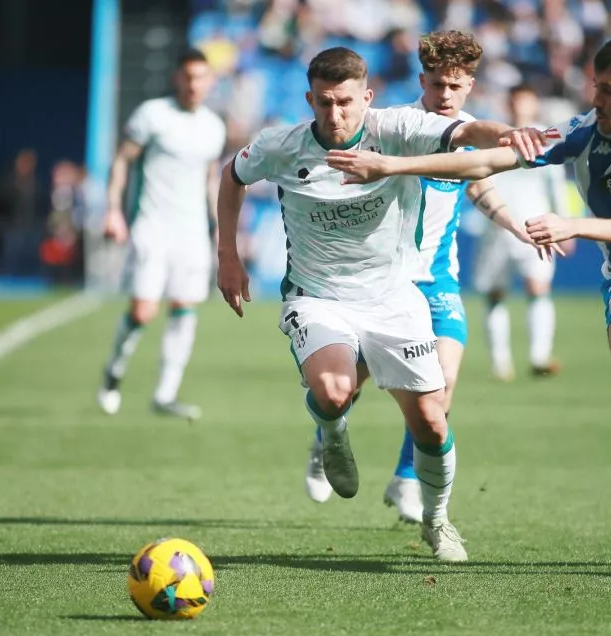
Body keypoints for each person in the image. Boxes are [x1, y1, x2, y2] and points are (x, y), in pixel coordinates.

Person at [325, 34, 611, 569]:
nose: (594, 98)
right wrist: (390, 167)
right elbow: (487, 161)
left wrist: (572, 225)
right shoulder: (587, 129)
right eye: (594, 86)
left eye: (607, 90)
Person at [215, 46, 543, 562]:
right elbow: (231, 176)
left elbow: (469, 138)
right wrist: (227, 256)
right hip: (317, 297)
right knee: (333, 389)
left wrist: (509, 135)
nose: (335, 114)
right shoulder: (281, 145)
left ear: (366, 97)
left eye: (346, 102)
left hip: (395, 298)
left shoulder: (396, 129)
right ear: (310, 99)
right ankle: (330, 434)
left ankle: (437, 521)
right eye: (324, 103)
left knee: (433, 420)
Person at [302, 31, 541, 524]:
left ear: (470, 85)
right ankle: (326, 436)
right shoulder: (395, 127)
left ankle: (406, 480)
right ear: (421, 81)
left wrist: (515, 223)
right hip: (382, 282)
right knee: (348, 382)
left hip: (436, 281)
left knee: (442, 385)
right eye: (436, 85)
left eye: (455, 86)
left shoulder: (468, 131)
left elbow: (478, 187)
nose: (445, 95)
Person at [96, 49, 226, 420]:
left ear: (209, 81)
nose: (194, 84)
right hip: (152, 225)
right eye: (188, 76)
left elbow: (209, 179)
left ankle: (165, 394)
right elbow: (123, 160)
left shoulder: (212, 127)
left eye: (201, 77)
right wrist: (113, 210)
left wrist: (221, 228)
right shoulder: (153, 115)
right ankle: (114, 371)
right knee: (143, 310)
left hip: (191, 232)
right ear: (177, 78)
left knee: (185, 309)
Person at [473, 83, 572, 381]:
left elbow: (556, 184)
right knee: (494, 294)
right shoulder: (495, 137)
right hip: (497, 227)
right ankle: (500, 362)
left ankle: (539, 357)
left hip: (536, 225)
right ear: (509, 104)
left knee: (537, 288)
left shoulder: (545, 137)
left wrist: (566, 224)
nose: (520, 108)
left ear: (534, 105)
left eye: (526, 102)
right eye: (515, 102)